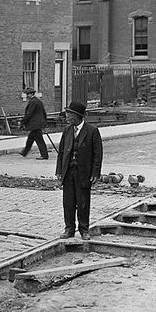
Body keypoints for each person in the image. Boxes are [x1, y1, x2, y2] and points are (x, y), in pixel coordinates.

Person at [55, 99, 103, 238]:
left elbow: (97, 154)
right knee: (68, 203)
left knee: (83, 202)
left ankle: (84, 230)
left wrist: (95, 173)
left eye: (69, 114)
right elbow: (62, 152)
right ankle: (69, 229)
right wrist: (59, 170)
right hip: (68, 172)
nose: (66, 116)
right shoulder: (67, 130)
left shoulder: (92, 131)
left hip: (84, 173)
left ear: (76, 116)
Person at [20, 90, 48, 159]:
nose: (27, 96)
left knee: (39, 140)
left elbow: (29, 113)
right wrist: (44, 122)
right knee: (30, 138)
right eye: (26, 94)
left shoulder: (32, 102)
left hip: (35, 124)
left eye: (28, 94)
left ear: (32, 94)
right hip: (38, 124)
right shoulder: (38, 101)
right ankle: (24, 152)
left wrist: (23, 122)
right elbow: (44, 112)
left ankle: (44, 155)